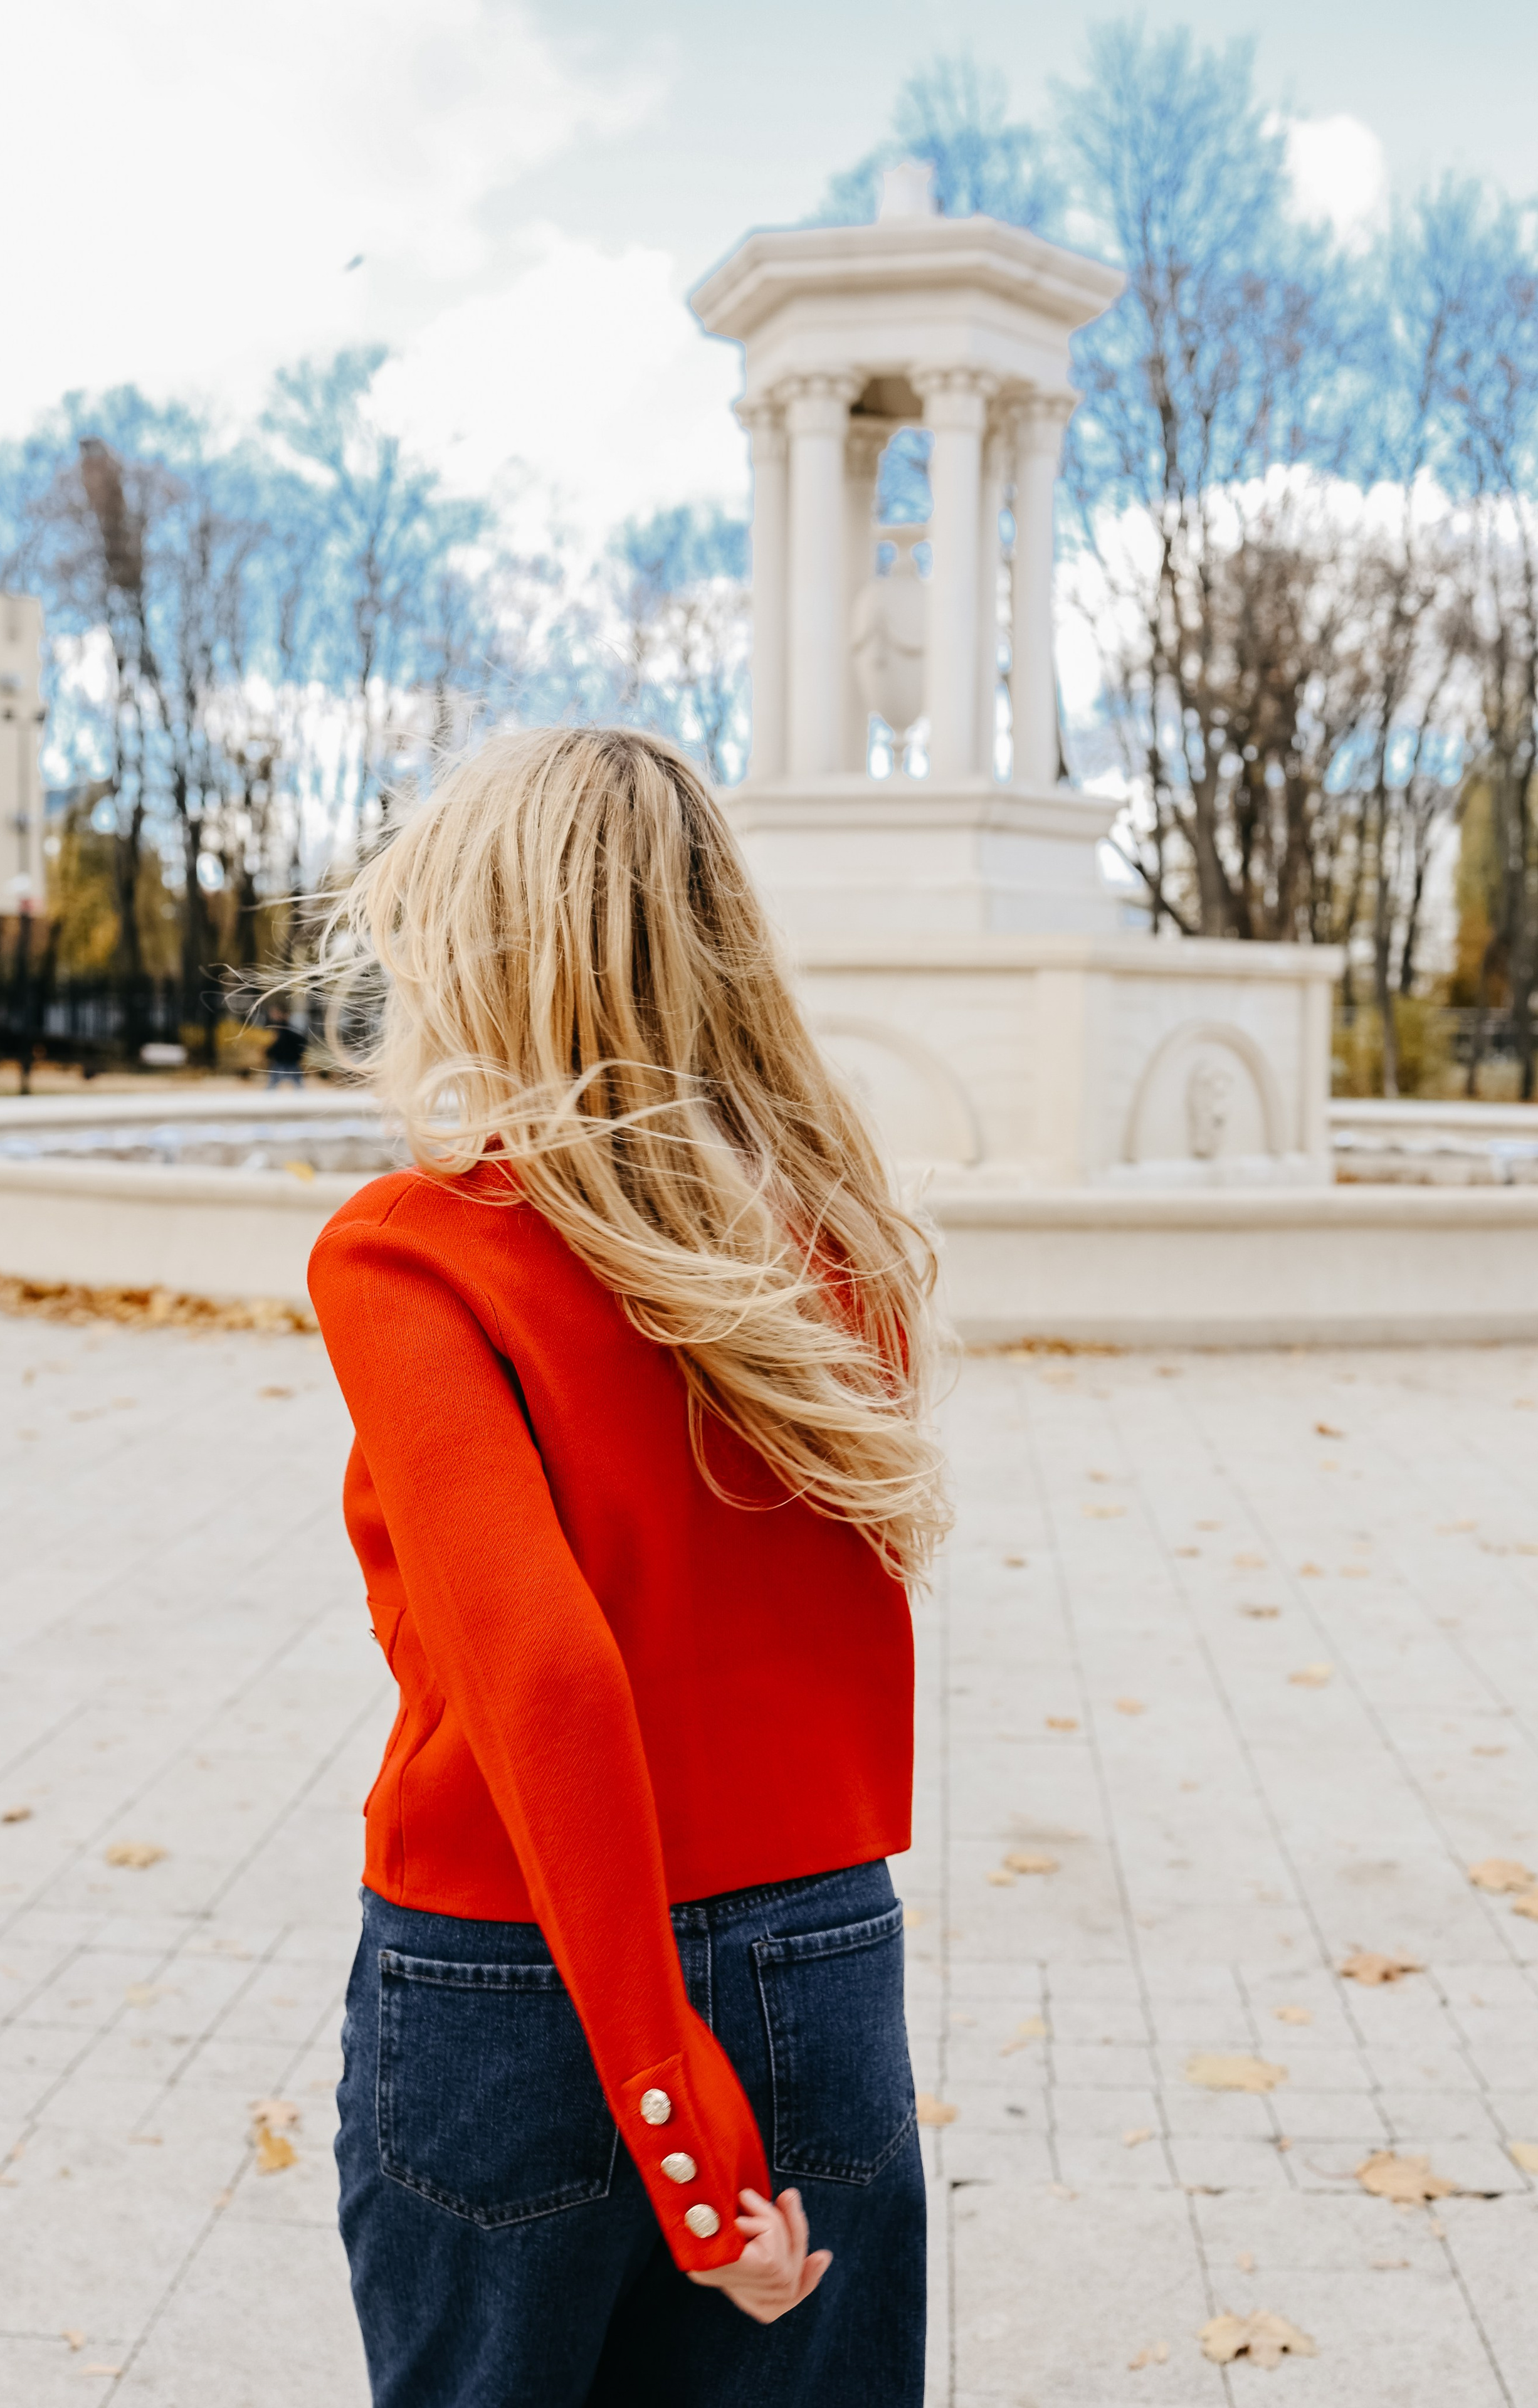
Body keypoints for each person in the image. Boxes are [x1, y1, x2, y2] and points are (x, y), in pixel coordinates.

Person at [308, 726, 949, 2407]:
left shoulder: (412, 1252)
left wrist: (671, 2113)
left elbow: (546, 1673)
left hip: (516, 1967)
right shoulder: (833, 1242)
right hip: (822, 1953)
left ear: (485, 953)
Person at [264, 1009, 309, 1089]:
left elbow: (278, 1045)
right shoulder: (282, 1029)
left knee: (273, 1087)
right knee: (298, 1087)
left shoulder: (285, 1030)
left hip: (288, 1062)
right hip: (284, 1062)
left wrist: (298, 1055)